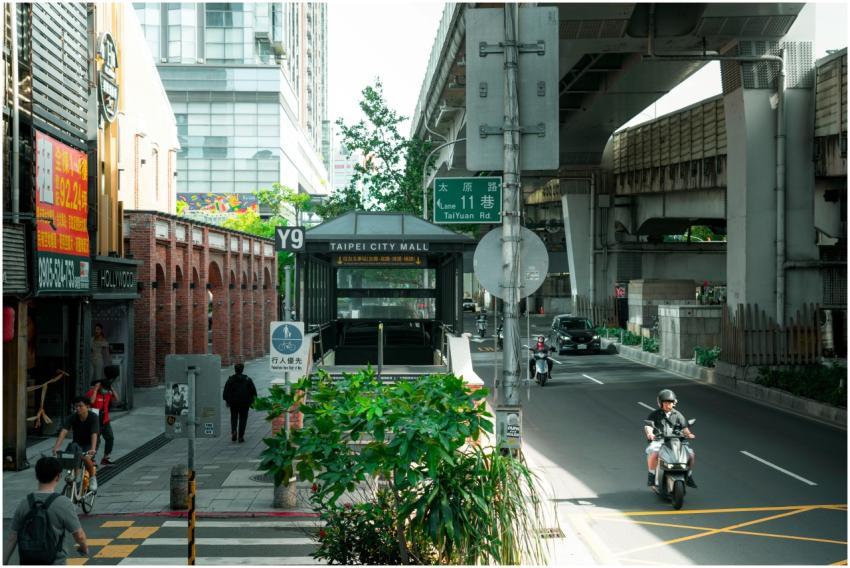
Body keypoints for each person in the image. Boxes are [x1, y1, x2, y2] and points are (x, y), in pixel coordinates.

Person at [4, 456, 89, 564]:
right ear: (58, 477)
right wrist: (84, 548)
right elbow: (79, 535)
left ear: (37, 476)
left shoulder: (24, 503)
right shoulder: (64, 503)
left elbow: (12, 538)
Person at [644, 389, 697, 488]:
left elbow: (685, 428)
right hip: (659, 440)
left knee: (691, 455)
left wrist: (689, 434)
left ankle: (689, 475)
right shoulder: (654, 414)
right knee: (654, 454)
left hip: (676, 441)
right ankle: (651, 475)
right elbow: (648, 426)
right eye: (665, 403)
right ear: (660, 403)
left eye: (670, 403)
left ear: (674, 403)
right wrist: (650, 434)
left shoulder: (678, 415)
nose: (668, 405)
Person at [52, 396, 99, 493]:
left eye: (80, 406)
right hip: (77, 443)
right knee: (71, 457)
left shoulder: (93, 417)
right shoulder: (72, 417)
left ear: (87, 406)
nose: (77, 408)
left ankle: (92, 478)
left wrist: (93, 449)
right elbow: (64, 432)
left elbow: (94, 433)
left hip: (90, 443)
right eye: (76, 406)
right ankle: (74, 476)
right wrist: (56, 448)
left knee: (85, 458)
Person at [85, 365, 119, 466]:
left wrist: (111, 388)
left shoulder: (107, 393)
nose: (105, 390)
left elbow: (117, 399)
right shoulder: (92, 392)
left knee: (110, 438)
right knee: (96, 441)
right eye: (104, 388)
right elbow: (91, 402)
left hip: (105, 420)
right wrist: (96, 390)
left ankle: (105, 458)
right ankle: (91, 459)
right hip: (95, 421)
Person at [223, 363, 258, 443]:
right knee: (243, 419)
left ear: (235, 370)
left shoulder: (230, 380)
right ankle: (241, 436)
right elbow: (253, 391)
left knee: (234, 417)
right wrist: (253, 400)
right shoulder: (247, 379)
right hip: (245, 403)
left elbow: (226, 392)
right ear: (243, 369)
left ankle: (234, 431)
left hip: (233, 403)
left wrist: (227, 400)